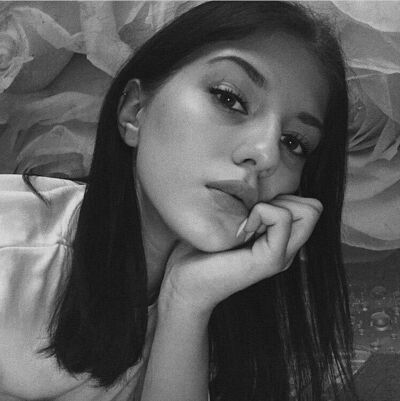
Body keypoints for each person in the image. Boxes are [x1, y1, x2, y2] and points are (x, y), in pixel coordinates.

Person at [0, 2, 356, 400]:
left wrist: (187, 301)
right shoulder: (11, 255)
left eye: (294, 142)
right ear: (135, 111)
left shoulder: (234, 309)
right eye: (229, 98)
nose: (266, 154)